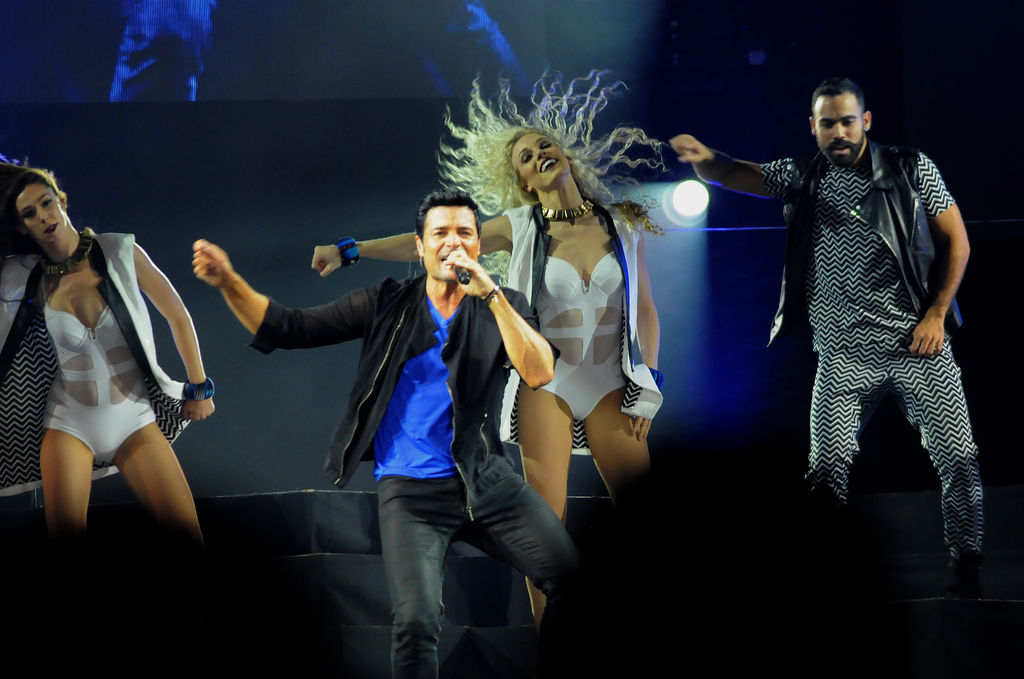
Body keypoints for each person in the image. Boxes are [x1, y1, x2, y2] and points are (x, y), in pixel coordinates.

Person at [310, 72, 664, 620]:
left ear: (564, 155)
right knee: (546, 524)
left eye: (543, 146)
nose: (539, 155)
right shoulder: (519, 226)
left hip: (612, 384)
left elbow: (645, 312)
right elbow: (425, 244)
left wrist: (649, 385)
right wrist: (350, 249)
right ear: (523, 181)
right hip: (548, 385)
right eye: (526, 157)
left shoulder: (622, 223)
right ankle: (554, 643)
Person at [193, 189, 579, 678]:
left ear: (479, 245)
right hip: (411, 494)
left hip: (486, 481)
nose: (453, 242)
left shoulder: (503, 305)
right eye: (440, 233)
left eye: (464, 232)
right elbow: (289, 328)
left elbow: (540, 371)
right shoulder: (387, 303)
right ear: (420, 246)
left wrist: (492, 296)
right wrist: (229, 282)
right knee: (416, 623)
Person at [670, 76, 983, 597]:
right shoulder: (802, 175)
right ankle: (830, 577)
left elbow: (959, 241)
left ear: (866, 121)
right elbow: (734, 173)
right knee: (825, 469)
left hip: (916, 346)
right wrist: (706, 158)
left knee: (959, 458)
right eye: (828, 123)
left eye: (847, 121)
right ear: (812, 127)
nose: (839, 132)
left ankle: (967, 569)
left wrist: (936, 313)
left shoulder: (909, 167)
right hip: (842, 354)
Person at [0, 160, 211, 543]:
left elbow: (177, 314)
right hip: (68, 425)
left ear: (62, 201)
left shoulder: (118, 250)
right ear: (21, 226)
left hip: (134, 420)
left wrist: (199, 386)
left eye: (46, 203)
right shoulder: (24, 277)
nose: (43, 216)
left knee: (189, 536)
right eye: (29, 214)